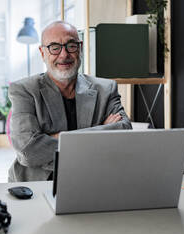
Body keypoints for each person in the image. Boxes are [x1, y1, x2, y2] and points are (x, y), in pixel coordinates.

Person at [8, 21, 132, 182]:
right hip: (38, 185)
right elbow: (28, 151)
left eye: (71, 46)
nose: (64, 54)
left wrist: (54, 139)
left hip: (93, 179)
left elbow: (124, 131)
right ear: (42, 52)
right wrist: (99, 130)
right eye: (54, 47)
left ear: (79, 48)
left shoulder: (106, 88)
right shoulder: (24, 90)